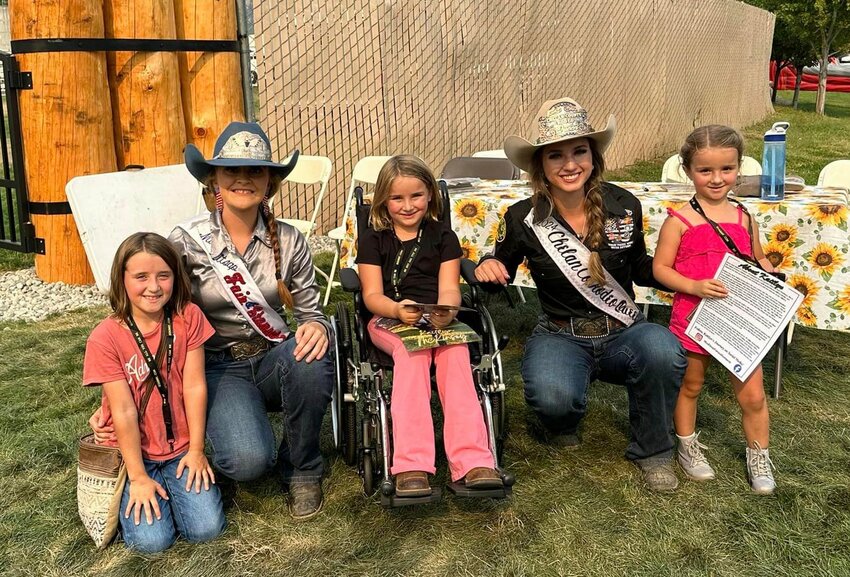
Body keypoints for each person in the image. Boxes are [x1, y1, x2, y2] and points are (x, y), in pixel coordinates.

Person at [91, 122, 334, 519]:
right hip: (217, 368)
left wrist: (316, 326)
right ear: (214, 180)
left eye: (255, 170)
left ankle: (302, 468)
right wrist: (112, 397)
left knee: (314, 352)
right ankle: (232, 439)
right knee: (248, 462)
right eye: (231, 170)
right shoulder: (186, 241)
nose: (243, 179)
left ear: (269, 182)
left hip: (274, 358)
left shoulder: (289, 240)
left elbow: (310, 311)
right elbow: (147, 312)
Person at [474, 97, 687, 492]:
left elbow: (641, 267)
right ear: (540, 164)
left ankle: (654, 450)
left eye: (579, 152)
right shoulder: (523, 216)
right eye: (556, 155)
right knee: (553, 398)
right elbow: (499, 262)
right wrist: (487, 265)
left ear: (594, 156)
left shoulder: (624, 205)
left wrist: (686, 274)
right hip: (560, 333)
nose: (569, 165)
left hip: (624, 330)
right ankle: (562, 420)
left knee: (662, 350)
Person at [355, 155, 503, 496]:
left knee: (455, 354)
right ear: (383, 201)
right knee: (414, 357)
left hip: (437, 317)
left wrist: (448, 310)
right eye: (397, 198)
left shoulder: (443, 237)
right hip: (389, 318)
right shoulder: (374, 240)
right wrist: (396, 308)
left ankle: (473, 460)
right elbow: (371, 295)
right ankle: (411, 464)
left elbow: (450, 288)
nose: (408, 206)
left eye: (416, 196)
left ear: (430, 195)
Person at [652, 125, 776, 494]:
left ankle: (759, 455)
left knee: (753, 394)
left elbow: (757, 256)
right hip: (695, 318)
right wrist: (692, 286)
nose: (717, 178)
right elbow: (660, 268)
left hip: (739, 322)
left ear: (739, 168)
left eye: (727, 168)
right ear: (687, 170)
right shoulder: (680, 221)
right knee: (690, 385)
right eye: (706, 170)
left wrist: (769, 271)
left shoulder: (743, 216)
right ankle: (687, 446)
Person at [83, 232, 225, 553]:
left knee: (207, 529)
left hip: (182, 449)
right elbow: (123, 410)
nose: (154, 286)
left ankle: (176, 493)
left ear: (176, 276)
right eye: (141, 277)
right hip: (135, 455)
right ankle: (140, 496)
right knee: (152, 543)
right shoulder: (105, 337)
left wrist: (197, 450)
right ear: (122, 279)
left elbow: (194, 386)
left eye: (164, 275)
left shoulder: (189, 317)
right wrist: (138, 477)